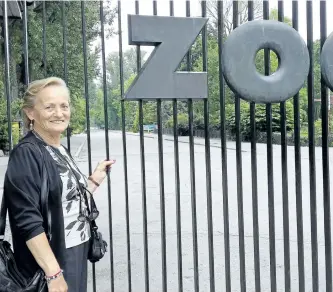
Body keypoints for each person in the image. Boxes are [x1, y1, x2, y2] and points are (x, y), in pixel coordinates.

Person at [2, 77, 115, 292]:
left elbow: (64, 202)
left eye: (64, 106)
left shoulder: (58, 149)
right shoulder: (26, 154)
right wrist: (53, 273)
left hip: (75, 250)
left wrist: (93, 181)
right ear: (30, 113)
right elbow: (28, 219)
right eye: (49, 107)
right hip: (51, 259)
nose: (59, 113)